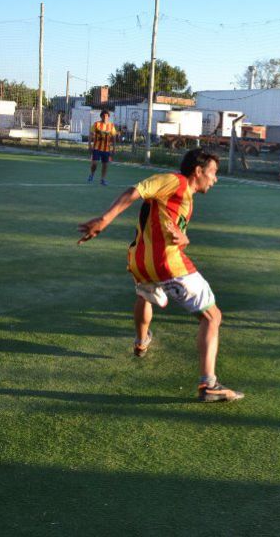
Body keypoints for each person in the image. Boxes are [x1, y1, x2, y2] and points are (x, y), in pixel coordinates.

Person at [77, 148, 242, 403]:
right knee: (212, 316)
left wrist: (184, 238)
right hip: (167, 264)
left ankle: (142, 341)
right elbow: (135, 191)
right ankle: (208, 383)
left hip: (140, 263)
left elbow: (170, 230)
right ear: (198, 171)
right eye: (213, 172)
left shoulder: (184, 196)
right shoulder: (175, 181)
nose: (215, 179)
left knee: (145, 295)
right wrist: (105, 219)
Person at [88, 109, 118, 186]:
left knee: (105, 165)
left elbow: (114, 137)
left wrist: (114, 148)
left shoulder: (111, 126)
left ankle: (103, 179)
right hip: (96, 148)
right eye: (104, 116)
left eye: (107, 116)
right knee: (94, 163)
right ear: (101, 116)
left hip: (106, 149)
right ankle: (92, 174)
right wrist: (89, 145)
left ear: (108, 117)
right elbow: (91, 134)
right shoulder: (96, 124)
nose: (105, 117)